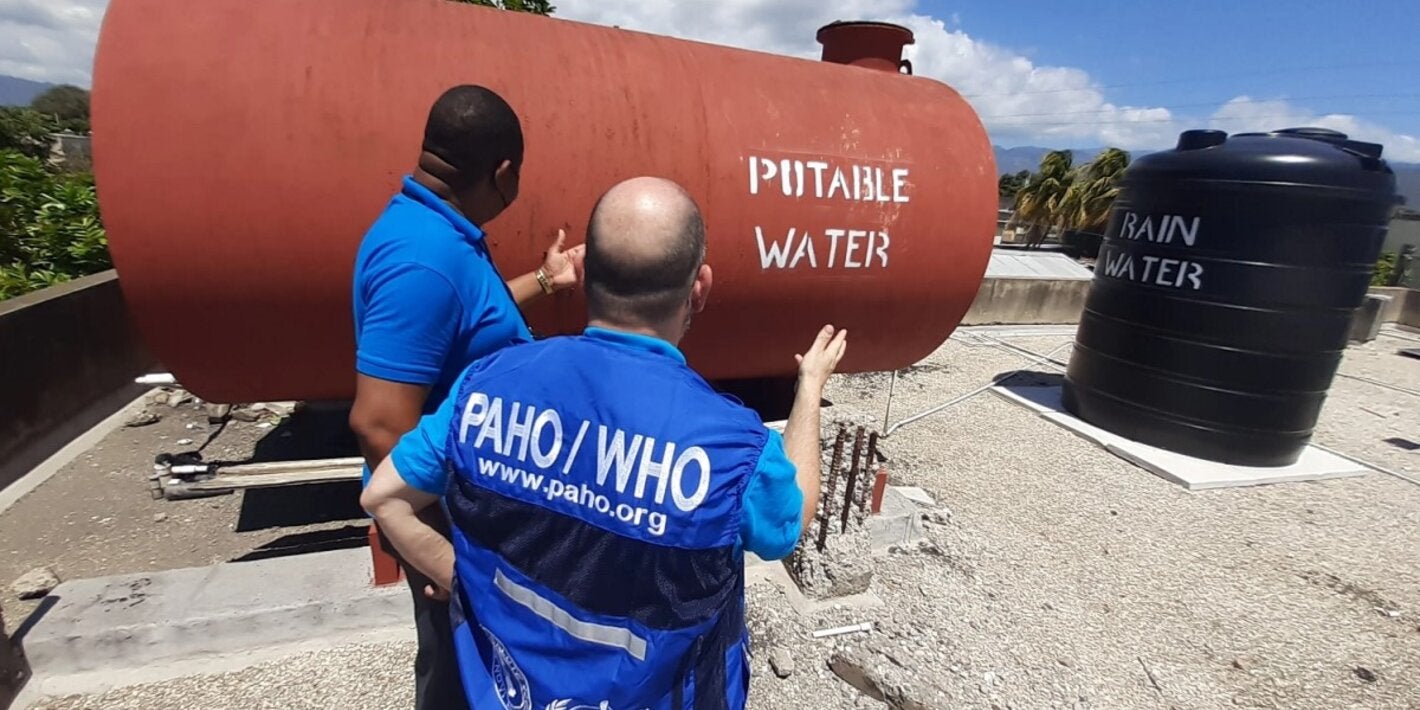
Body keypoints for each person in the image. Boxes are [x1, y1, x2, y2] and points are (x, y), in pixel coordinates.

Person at [362, 176, 846, 709]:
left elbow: (383, 497)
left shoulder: (483, 386)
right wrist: (809, 391)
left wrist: (462, 576)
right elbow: (788, 521)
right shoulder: (734, 449)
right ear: (700, 287)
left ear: (585, 272)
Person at [350, 84, 583, 710]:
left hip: (472, 515)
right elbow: (377, 424)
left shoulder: (438, 233)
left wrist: (543, 280)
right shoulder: (422, 261)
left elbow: (467, 318)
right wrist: (433, 548)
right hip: (456, 526)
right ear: (503, 172)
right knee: (461, 679)